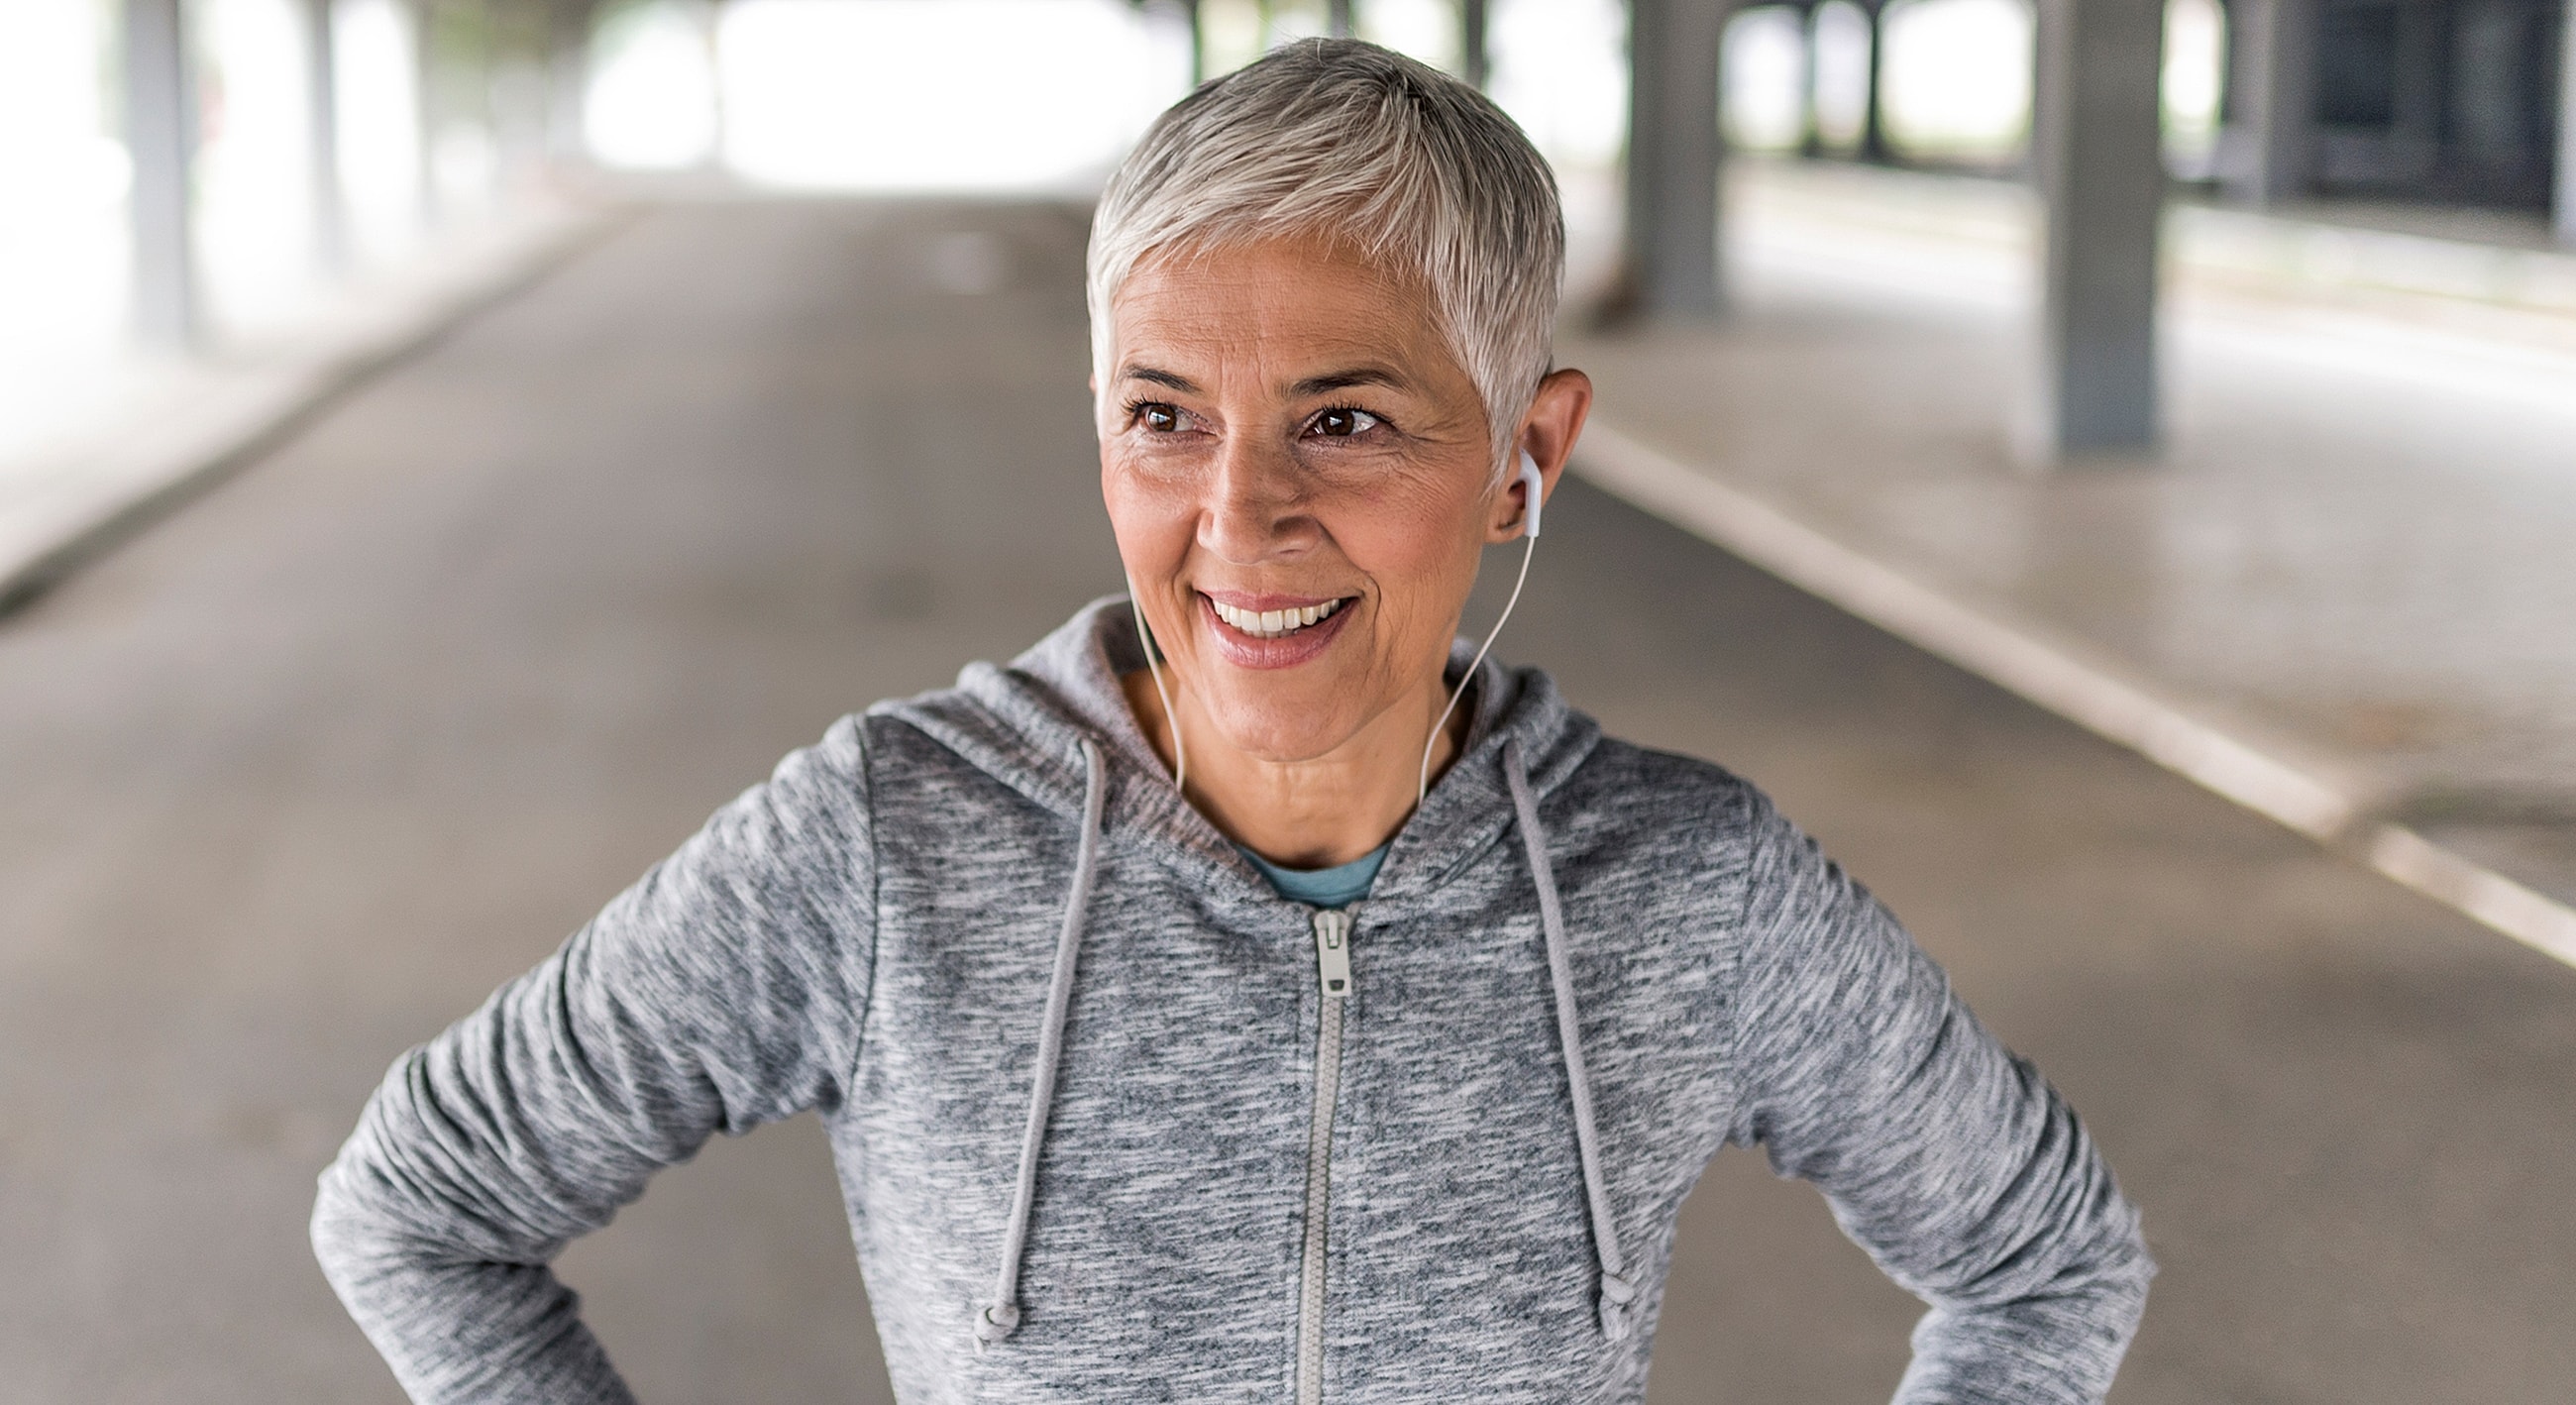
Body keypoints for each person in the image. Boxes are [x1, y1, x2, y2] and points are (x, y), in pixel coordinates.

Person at [312, 39, 2150, 1405]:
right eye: (1163, 416)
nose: (1238, 517)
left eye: (1346, 420)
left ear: (1528, 456)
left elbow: (2048, 1261)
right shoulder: (889, 844)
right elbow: (422, 1206)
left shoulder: (1690, 890)